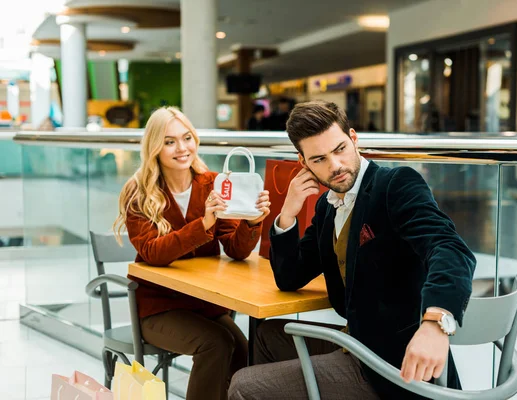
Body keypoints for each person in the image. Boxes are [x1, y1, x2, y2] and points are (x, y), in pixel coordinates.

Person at [228, 101, 476, 399]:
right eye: (318, 159)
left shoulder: (395, 185)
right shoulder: (327, 206)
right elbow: (289, 277)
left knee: (244, 386)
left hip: (393, 364)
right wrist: (287, 215)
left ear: (354, 138)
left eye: (340, 149)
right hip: (356, 341)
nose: (334, 166)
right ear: (303, 163)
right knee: (266, 336)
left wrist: (436, 323)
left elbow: (449, 248)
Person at [113, 107, 271, 400]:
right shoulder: (140, 192)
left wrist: (253, 220)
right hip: (158, 308)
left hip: (205, 305)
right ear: (154, 147)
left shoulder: (212, 183)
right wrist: (204, 224)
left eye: (186, 138)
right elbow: (152, 252)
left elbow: (236, 250)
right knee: (216, 344)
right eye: (170, 141)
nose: (182, 148)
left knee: (245, 351)